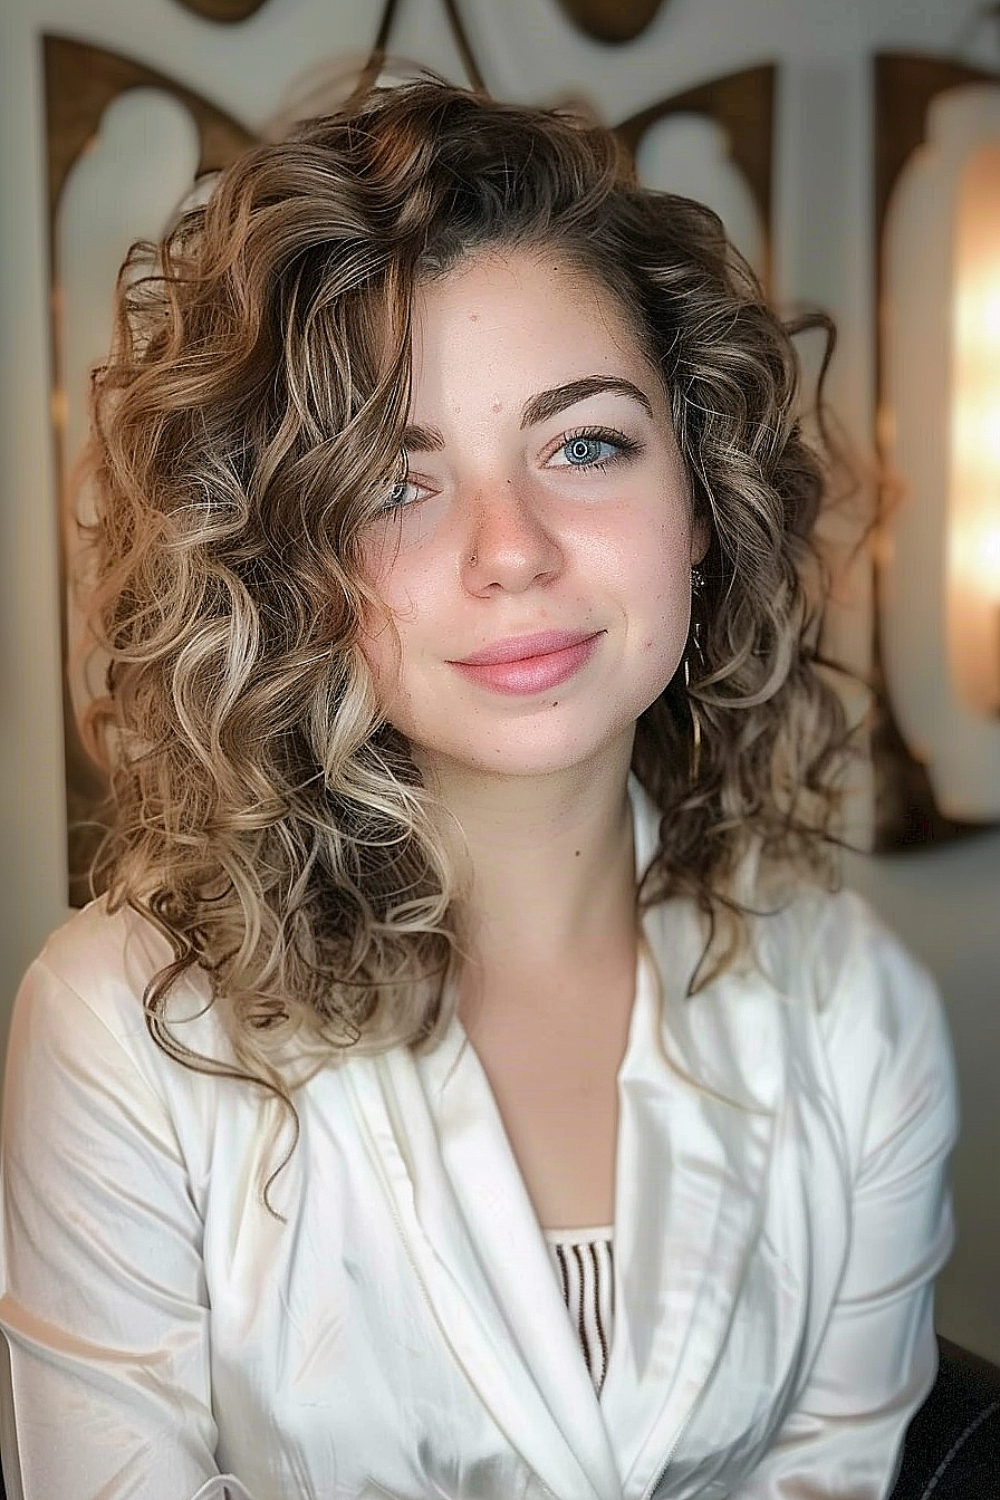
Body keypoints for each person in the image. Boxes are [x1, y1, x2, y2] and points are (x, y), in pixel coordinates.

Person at [0, 76, 958, 1500]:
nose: (511, 551)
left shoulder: (858, 1017)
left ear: (698, 503)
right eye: (396, 482)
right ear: (288, 565)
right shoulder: (121, 1030)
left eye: (586, 444)